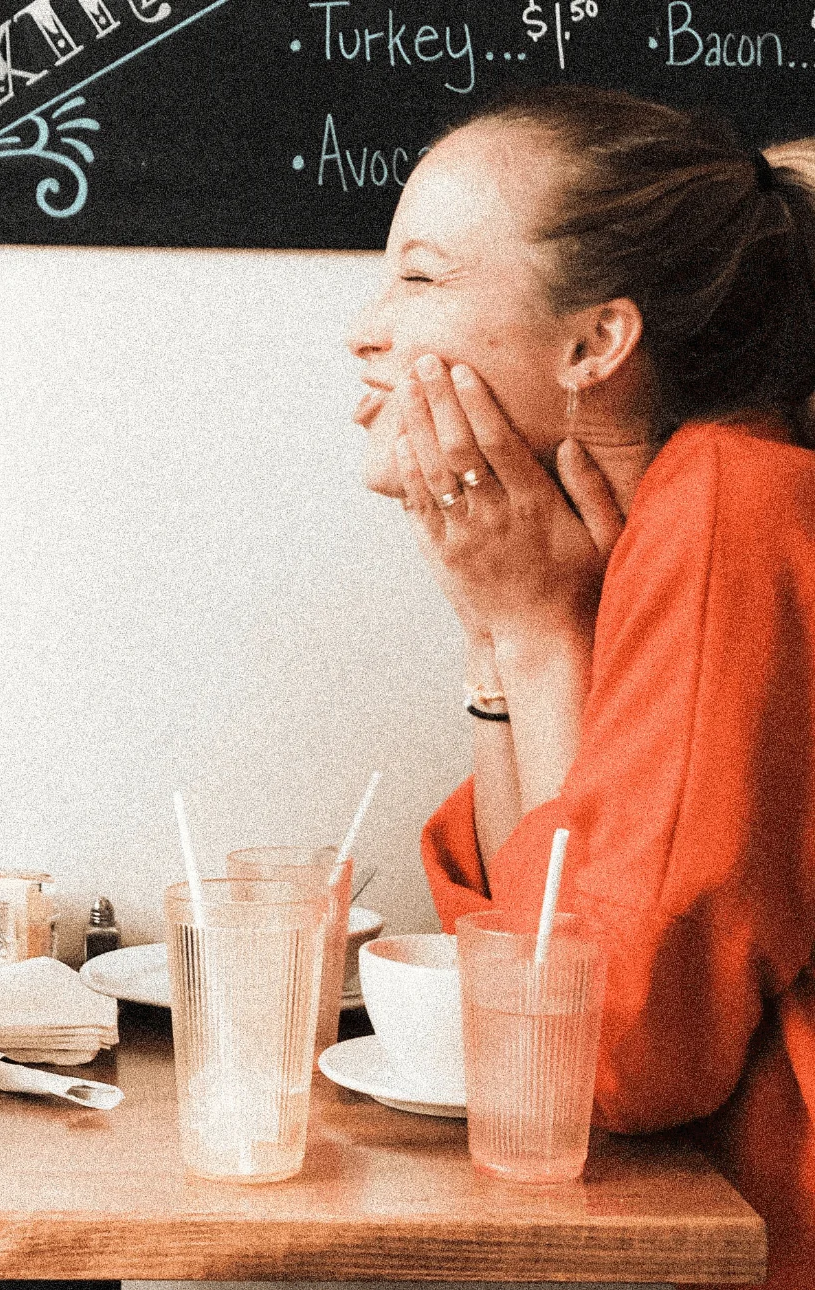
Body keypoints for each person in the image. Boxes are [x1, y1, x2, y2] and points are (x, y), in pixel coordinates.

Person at [345, 87, 815, 1289]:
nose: (367, 330)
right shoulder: (661, 519)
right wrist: (504, 635)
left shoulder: (727, 504)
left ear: (595, 344)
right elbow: (519, 936)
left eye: (423, 279)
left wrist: (538, 632)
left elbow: (597, 1048)